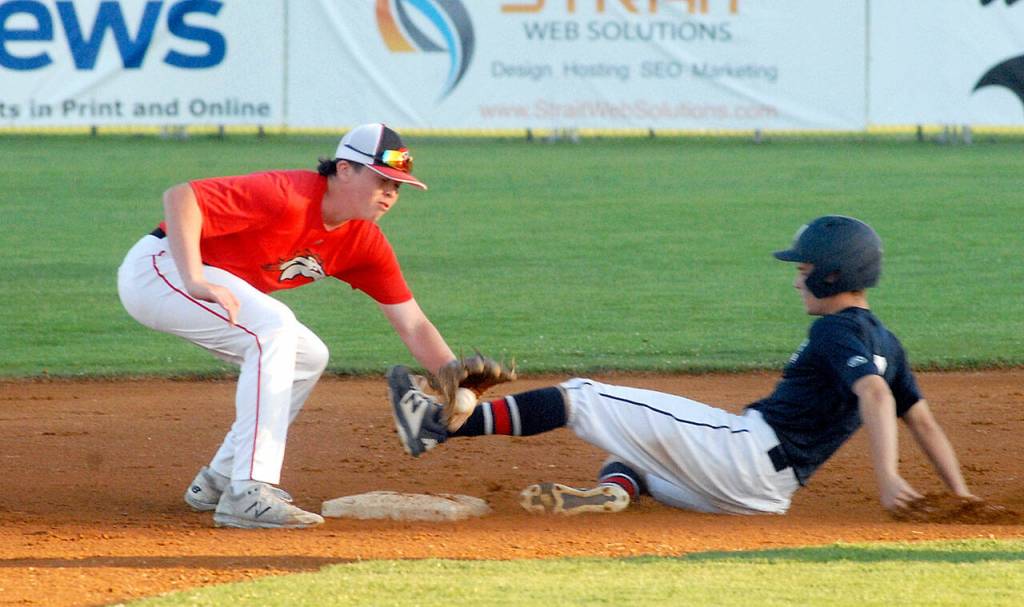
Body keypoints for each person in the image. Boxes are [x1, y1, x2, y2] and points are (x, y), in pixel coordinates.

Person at [387, 216, 978, 516]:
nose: (796, 280)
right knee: (634, 453)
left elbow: (874, 396)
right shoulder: (888, 341)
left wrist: (887, 478)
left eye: (803, 271)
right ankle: (614, 494)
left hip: (743, 454)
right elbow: (922, 422)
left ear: (832, 274)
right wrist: (960, 496)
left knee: (584, 398)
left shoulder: (835, 329)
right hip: (764, 498)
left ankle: (441, 425)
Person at [118, 123, 457, 528]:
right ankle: (249, 490)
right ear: (344, 169)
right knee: (275, 327)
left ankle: (220, 479)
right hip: (160, 269)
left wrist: (459, 381)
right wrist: (194, 278)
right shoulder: (289, 194)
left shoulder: (364, 242)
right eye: (381, 180)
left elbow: (414, 324)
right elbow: (181, 197)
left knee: (307, 355)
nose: (390, 193)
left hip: (206, 281)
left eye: (397, 186)